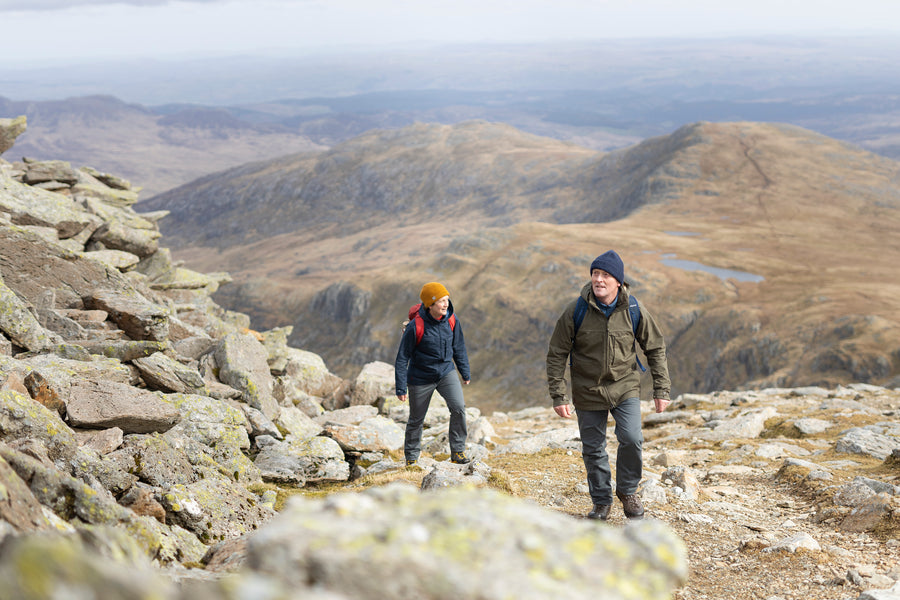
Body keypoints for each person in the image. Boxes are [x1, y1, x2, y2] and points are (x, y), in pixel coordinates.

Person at [546, 250, 671, 521]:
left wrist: (661, 389)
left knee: (632, 438)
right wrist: (559, 395)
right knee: (593, 448)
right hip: (587, 389)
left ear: (618, 282)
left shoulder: (634, 309)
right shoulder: (576, 310)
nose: (598, 280)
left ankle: (627, 491)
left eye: (605, 275)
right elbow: (557, 352)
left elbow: (655, 348)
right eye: (595, 274)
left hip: (625, 386)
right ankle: (601, 502)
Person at [395, 282, 472, 466]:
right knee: (416, 419)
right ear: (430, 304)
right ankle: (412, 459)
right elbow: (402, 358)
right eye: (441, 301)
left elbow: (459, 347)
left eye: (447, 300)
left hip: (446, 372)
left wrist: (465, 372)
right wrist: (401, 387)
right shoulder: (416, 326)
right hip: (420, 378)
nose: (446, 304)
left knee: (459, 408)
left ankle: (458, 451)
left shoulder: (452, 320)